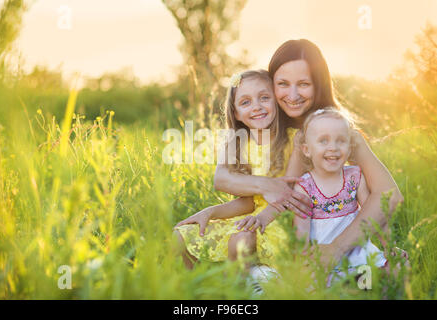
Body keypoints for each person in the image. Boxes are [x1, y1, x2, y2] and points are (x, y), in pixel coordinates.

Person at [214, 39, 404, 269]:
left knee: (395, 272)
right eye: (282, 83)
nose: (292, 95)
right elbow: (224, 177)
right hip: (278, 237)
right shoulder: (264, 128)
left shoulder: (339, 133)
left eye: (303, 84)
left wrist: (338, 248)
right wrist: (264, 186)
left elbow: (389, 195)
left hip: (330, 241)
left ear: (318, 85)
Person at [173, 70, 299, 270]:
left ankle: (235, 291)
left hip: (281, 219)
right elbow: (248, 202)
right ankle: (198, 289)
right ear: (236, 113)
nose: (257, 106)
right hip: (251, 217)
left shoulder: (294, 139)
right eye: (245, 102)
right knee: (180, 235)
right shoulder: (239, 144)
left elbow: (288, 195)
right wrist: (210, 212)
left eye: (264, 98)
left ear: (276, 100)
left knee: (241, 241)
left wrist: (259, 219)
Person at [293, 108, 387, 285]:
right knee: (318, 287)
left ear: (350, 147)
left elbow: (376, 217)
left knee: (382, 279)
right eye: (323, 141)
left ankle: (366, 290)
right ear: (307, 149)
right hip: (324, 260)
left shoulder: (355, 176)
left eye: (341, 141)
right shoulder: (305, 186)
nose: (333, 148)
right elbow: (301, 235)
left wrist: (388, 246)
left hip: (358, 255)